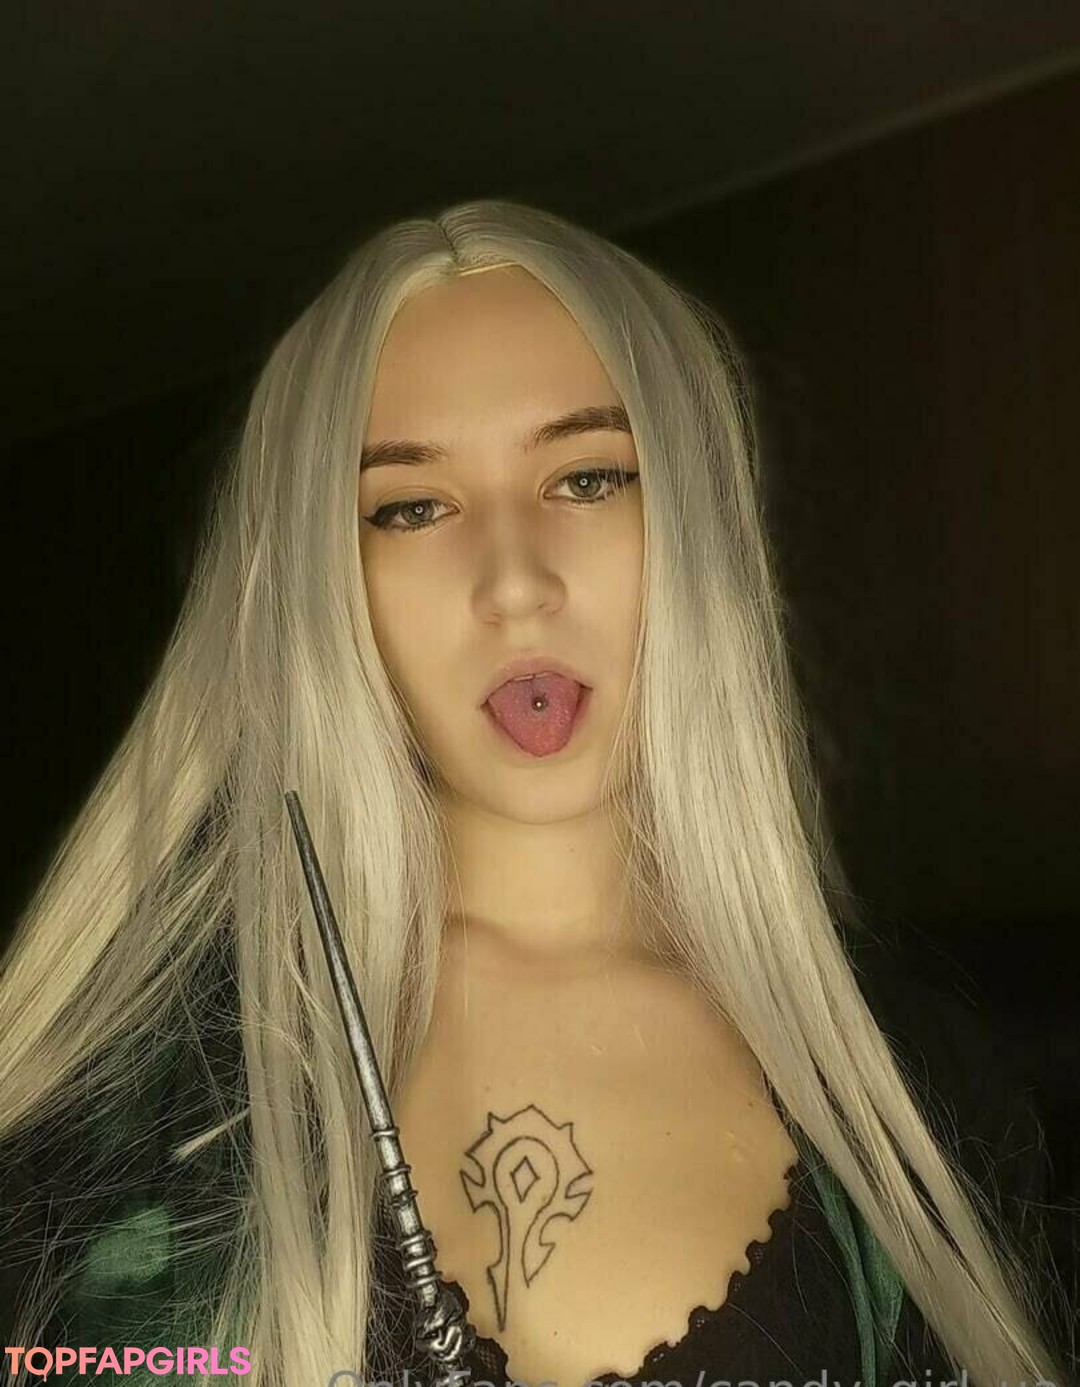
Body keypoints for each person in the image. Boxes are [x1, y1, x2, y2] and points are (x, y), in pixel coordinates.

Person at [0, 201, 1074, 1387]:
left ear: (693, 517)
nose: (514, 583)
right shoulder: (141, 1127)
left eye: (588, 477)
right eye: (411, 507)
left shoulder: (924, 1096)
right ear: (321, 578)